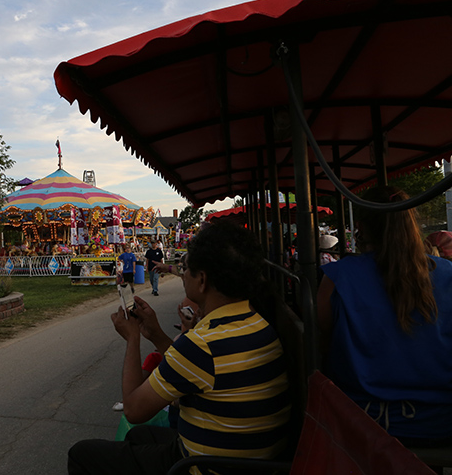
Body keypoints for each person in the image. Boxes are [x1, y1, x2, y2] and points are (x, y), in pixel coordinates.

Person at [68, 223, 291, 475]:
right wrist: (155, 334)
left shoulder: (201, 343)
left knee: (81, 454)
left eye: (186, 270)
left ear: (202, 280)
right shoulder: (256, 322)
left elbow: (132, 409)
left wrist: (133, 340)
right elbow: (191, 367)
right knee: (141, 436)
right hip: (250, 460)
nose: (183, 275)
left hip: (205, 467)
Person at [317, 186, 452, 447]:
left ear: (363, 227)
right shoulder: (447, 274)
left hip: (361, 423)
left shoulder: (337, 278)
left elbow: (324, 339)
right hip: (440, 425)